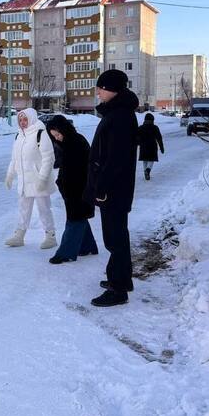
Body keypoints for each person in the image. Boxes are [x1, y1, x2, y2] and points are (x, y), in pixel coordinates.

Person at [84, 69, 139, 307]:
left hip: (113, 189)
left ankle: (118, 289)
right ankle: (121, 279)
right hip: (114, 188)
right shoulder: (117, 113)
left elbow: (115, 159)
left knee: (115, 238)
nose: (98, 91)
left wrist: (101, 187)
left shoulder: (120, 117)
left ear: (114, 90)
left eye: (101, 88)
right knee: (117, 236)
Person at [46, 115, 98, 264]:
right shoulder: (69, 142)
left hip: (79, 188)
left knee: (75, 218)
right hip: (74, 188)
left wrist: (65, 183)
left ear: (64, 130)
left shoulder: (75, 142)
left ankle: (65, 253)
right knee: (79, 216)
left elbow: (79, 169)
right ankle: (87, 246)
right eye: (54, 136)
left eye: (58, 134)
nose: (57, 138)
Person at [4, 108, 57, 249]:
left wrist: (43, 178)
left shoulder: (40, 133)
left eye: (25, 119)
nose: (22, 122)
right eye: (20, 120)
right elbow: (14, 159)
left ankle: (50, 235)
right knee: (23, 209)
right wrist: (10, 175)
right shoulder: (19, 136)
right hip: (24, 181)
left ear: (31, 118)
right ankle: (19, 235)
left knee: (44, 209)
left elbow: (48, 158)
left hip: (39, 180)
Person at [137, 113, 164, 181]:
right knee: (151, 159)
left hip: (143, 146)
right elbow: (159, 138)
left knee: (145, 159)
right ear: (152, 120)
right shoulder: (155, 127)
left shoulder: (141, 128)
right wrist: (161, 147)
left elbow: (136, 137)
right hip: (152, 146)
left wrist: (138, 143)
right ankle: (148, 170)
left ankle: (145, 172)